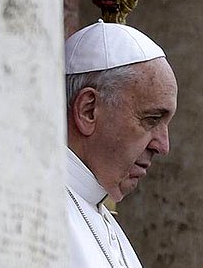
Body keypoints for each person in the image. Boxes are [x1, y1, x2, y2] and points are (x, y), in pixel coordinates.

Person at [63, 20, 178, 268]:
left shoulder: (102, 219)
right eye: (151, 119)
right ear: (88, 110)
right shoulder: (38, 213)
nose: (163, 146)